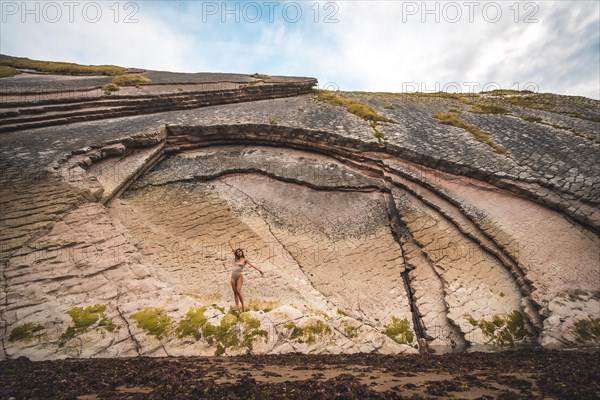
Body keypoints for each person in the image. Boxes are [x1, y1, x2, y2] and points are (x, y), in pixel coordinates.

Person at [228, 241, 263, 312]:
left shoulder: (245, 260)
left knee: (238, 291)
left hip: (239, 275)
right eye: (237, 252)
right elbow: (232, 249)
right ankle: (237, 306)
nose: (238, 253)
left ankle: (243, 306)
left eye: (240, 251)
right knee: (234, 292)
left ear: (242, 252)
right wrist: (229, 242)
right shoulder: (236, 259)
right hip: (233, 275)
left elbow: (252, 265)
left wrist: (259, 270)